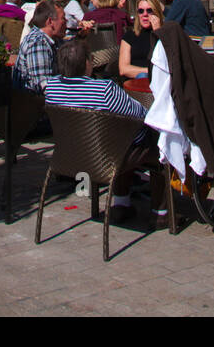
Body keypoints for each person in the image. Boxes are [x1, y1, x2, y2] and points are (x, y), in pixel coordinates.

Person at [45, 38, 165, 226]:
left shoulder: (52, 87)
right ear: (86, 63)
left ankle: (121, 204)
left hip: (71, 156)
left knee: (120, 138)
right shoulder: (104, 90)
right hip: (107, 158)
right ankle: (161, 212)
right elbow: (140, 115)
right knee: (155, 142)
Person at [12, 0, 66, 92]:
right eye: (63, 18)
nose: (66, 21)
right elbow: (44, 86)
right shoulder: (38, 42)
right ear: (50, 22)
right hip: (33, 103)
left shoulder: (53, 40)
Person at [119, 0, 164, 81]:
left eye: (149, 10)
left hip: (160, 81)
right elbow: (123, 69)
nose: (145, 14)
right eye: (141, 11)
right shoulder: (129, 36)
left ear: (157, 12)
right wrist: (149, 71)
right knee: (143, 76)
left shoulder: (166, 34)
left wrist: (158, 33)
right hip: (137, 82)